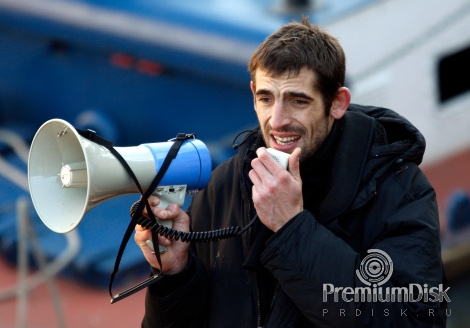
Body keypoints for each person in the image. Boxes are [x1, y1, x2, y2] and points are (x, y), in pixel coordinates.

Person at [134, 17, 447, 327]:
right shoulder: (227, 183)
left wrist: (292, 229)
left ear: (337, 103)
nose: (277, 120)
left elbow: (416, 321)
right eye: (266, 99)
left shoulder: (401, 192)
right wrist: (176, 274)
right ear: (253, 93)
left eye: (298, 101)